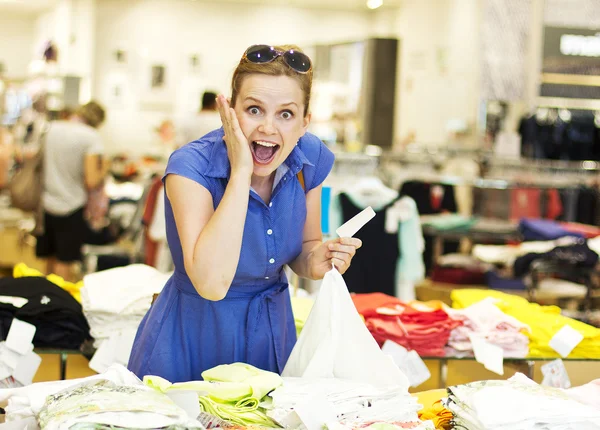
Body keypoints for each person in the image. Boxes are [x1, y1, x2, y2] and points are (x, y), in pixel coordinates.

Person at [128, 44, 362, 382]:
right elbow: (210, 283)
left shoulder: (310, 160)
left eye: (286, 114)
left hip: (269, 336)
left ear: (304, 123)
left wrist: (318, 260)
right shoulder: (190, 168)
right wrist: (241, 171)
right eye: (254, 110)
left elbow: (307, 244)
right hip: (193, 336)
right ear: (229, 111)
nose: (268, 127)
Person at [35, 101, 111, 281]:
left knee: (49, 259)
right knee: (65, 261)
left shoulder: (52, 129)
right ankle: (59, 305)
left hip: (46, 202)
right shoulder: (90, 137)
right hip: (72, 205)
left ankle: (45, 301)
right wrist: (105, 167)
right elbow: (92, 180)